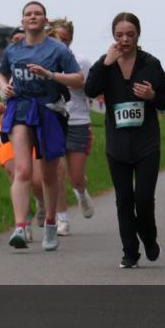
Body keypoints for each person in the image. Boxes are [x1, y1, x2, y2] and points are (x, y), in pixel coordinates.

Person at [84, 12, 165, 269]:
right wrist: (106, 63)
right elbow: (89, 90)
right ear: (113, 36)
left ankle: (149, 237)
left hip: (147, 143)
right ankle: (130, 252)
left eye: (130, 35)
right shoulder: (106, 63)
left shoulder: (150, 64)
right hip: (117, 144)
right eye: (119, 35)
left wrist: (152, 94)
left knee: (143, 199)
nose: (125, 39)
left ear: (138, 35)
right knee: (124, 200)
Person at [0, 1, 84, 252]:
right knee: (22, 170)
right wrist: (3, 87)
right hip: (20, 109)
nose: (32, 17)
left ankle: (51, 224)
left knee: (48, 175)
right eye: (28, 14)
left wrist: (51, 75)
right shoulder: (13, 50)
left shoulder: (57, 50)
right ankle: (20, 227)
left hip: (49, 112)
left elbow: (79, 79)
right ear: (22, 21)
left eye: (38, 14)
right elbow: (0, 74)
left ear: (45, 21)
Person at [0, 26, 44, 244]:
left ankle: (41, 203)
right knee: (17, 173)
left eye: (22, 40)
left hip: (35, 125)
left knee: (35, 179)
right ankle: (23, 224)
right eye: (14, 41)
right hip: (8, 130)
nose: (18, 44)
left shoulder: (37, 65)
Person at [47, 18, 96, 235]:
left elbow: (93, 90)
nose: (61, 44)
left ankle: (81, 193)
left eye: (65, 40)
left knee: (75, 176)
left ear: (71, 40)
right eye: (57, 39)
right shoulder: (44, 60)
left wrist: (76, 82)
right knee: (56, 172)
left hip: (77, 120)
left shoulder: (82, 61)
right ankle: (63, 219)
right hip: (53, 119)